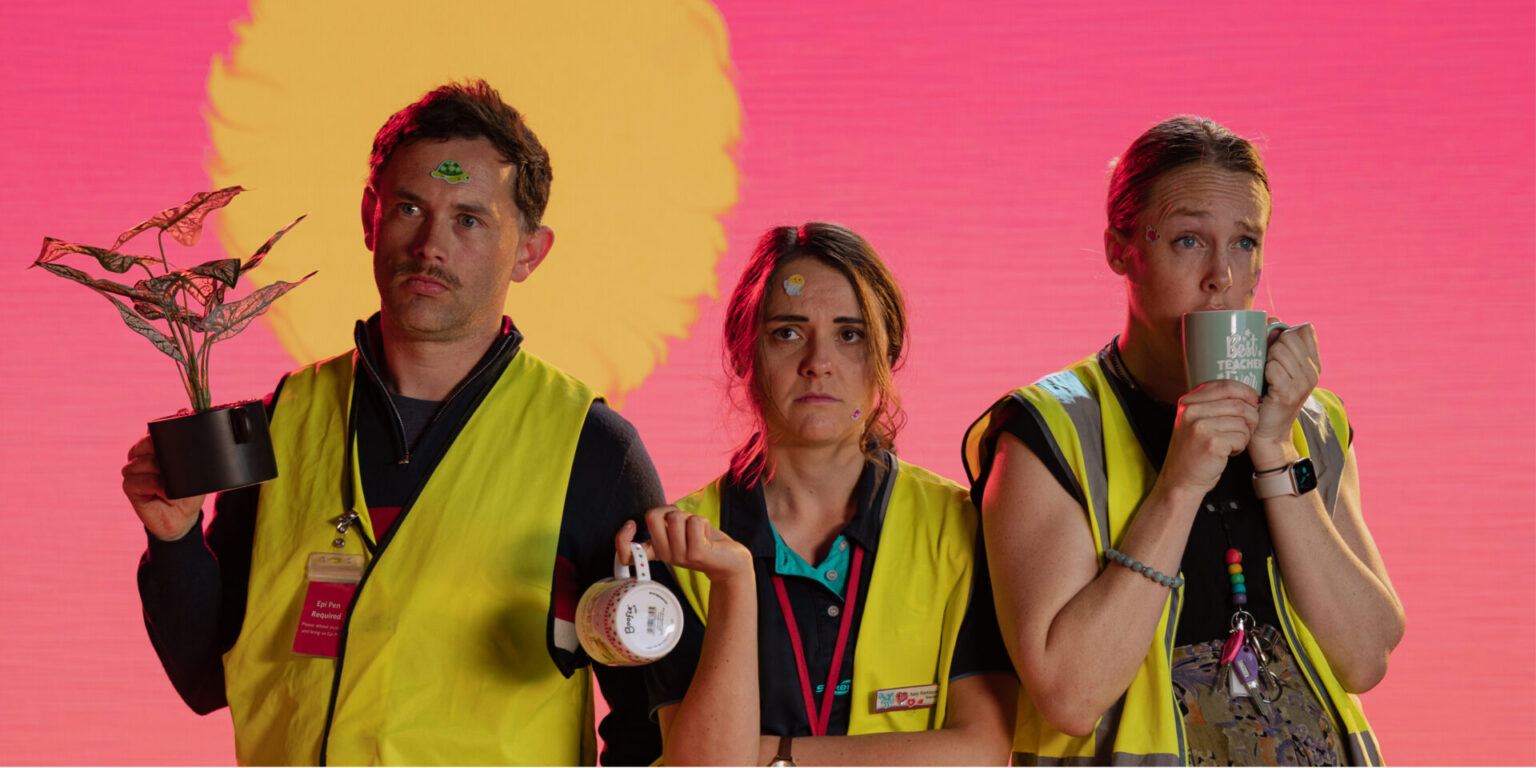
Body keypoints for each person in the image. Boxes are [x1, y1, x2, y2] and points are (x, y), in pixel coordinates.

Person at [122, 80, 664, 765]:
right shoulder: (285, 420)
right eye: (410, 208)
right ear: (369, 217)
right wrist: (174, 540)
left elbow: (654, 718)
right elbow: (207, 675)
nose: (431, 244)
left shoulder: (591, 450)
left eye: (470, 220)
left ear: (529, 251)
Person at [963, 116, 1404, 765]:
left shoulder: (1311, 421)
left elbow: (1365, 657)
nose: (1221, 275)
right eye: (1189, 240)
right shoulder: (1047, 431)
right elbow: (1071, 694)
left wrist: (1275, 449)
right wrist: (1179, 485)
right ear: (1120, 250)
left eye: (1245, 242)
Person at [618, 223, 1017, 765]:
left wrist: (774, 758)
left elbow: (982, 752)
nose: (818, 362)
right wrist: (733, 582)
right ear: (744, 354)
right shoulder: (677, 545)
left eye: (850, 335)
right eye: (787, 332)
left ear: (887, 356)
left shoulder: (964, 526)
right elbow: (705, 765)